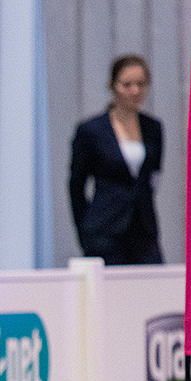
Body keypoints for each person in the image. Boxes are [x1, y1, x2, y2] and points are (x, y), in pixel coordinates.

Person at [69, 54, 164, 265]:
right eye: (127, 84)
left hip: (143, 227)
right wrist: (84, 228)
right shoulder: (91, 130)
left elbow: (153, 176)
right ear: (113, 86)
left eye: (141, 84)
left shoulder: (153, 128)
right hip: (105, 227)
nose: (135, 91)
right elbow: (76, 184)